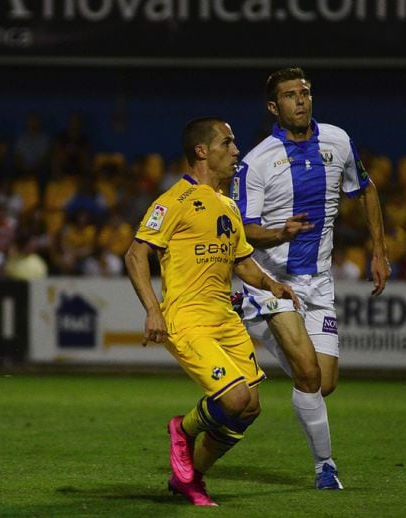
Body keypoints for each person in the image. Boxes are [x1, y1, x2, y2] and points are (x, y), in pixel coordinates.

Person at [125, 117, 299, 506]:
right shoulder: (174, 201)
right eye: (228, 142)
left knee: (249, 408)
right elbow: (136, 254)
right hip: (188, 319)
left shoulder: (227, 205)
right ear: (202, 151)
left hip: (226, 320)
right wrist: (154, 310)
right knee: (233, 399)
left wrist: (272, 284)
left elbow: (241, 261)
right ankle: (182, 430)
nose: (236, 150)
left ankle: (190, 480)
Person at [230, 67, 390, 490]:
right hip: (271, 284)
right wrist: (280, 232)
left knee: (325, 382)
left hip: (318, 284)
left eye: (304, 92)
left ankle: (268, 336)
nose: (300, 100)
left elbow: (367, 189)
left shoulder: (337, 141)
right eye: (289, 95)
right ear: (273, 107)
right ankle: (325, 467)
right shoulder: (257, 161)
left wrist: (379, 250)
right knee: (309, 378)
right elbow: (240, 229)